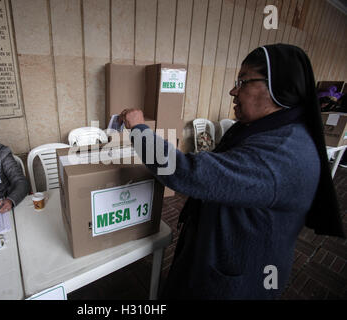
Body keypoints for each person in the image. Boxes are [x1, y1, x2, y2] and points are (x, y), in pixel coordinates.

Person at [120, 44, 345, 299]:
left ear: (279, 89)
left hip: (236, 279)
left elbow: (186, 172)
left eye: (243, 81)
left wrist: (139, 129)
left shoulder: (281, 155)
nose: (233, 91)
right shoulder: (267, 128)